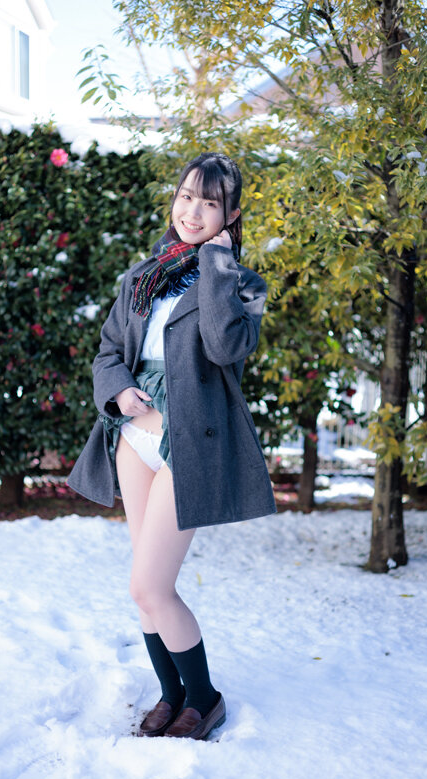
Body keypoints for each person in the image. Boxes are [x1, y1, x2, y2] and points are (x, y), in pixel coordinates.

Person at [67, 152, 276, 740]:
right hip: (133, 437)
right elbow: (109, 350)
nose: (193, 211)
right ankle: (171, 693)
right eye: (186, 196)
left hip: (191, 444)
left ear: (230, 215)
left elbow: (224, 346)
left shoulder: (244, 285)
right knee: (146, 584)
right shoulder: (142, 276)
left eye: (210, 203)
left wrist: (217, 265)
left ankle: (204, 699)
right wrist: (118, 390)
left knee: (149, 586)